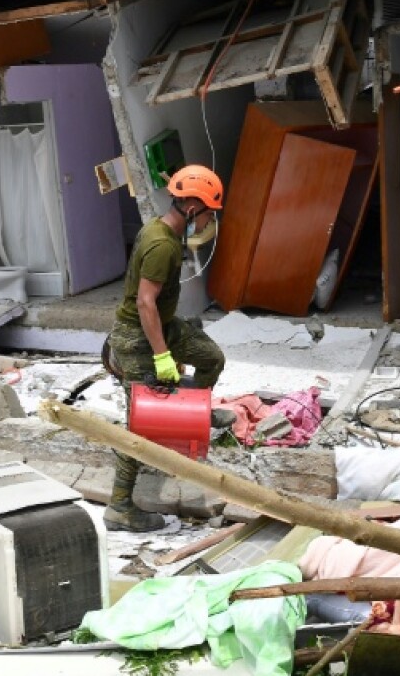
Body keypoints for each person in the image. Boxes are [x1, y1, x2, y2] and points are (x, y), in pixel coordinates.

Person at [103, 165, 228, 532]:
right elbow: (145, 303)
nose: (209, 222)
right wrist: (161, 356)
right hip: (137, 337)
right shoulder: (161, 245)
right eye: (208, 214)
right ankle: (120, 507)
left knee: (211, 358)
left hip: (160, 325)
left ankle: (192, 413)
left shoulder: (167, 234)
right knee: (139, 425)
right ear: (192, 208)